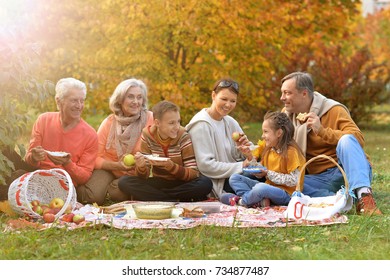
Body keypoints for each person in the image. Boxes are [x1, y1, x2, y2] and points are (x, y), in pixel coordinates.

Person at [280, 71, 382, 215]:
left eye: (287, 93)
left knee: (346, 139)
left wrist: (321, 130)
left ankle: (364, 197)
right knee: (282, 184)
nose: (282, 98)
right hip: (319, 177)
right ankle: (338, 197)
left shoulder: (333, 110)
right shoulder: (286, 115)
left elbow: (357, 139)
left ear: (304, 93)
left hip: (346, 170)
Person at [76, 78, 154, 205]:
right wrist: (117, 165)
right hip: (108, 169)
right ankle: (82, 188)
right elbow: (95, 157)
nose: (136, 102)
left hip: (135, 174)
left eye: (139, 97)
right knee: (93, 197)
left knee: (117, 192)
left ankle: (109, 188)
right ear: (120, 100)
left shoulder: (150, 119)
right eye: (130, 97)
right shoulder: (109, 122)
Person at [118, 100, 212, 201]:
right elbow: (143, 176)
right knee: (124, 182)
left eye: (178, 121)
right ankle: (174, 199)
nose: (177, 127)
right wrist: (141, 167)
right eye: (171, 123)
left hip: (181, 183)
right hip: (160, 182)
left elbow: (193, 173)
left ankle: (161, 198)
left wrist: (171, 167)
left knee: (205, 183)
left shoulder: (183, 137)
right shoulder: (147, 136)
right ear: (157, 123)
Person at [220, 111, 306, 208]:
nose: (262, 136)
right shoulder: (269, 148)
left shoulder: (291, 152)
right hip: (268, 187)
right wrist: (249, 156)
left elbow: (294, 180)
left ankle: (241, 202)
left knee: (260, 188)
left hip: (286, 194)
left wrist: (268, 173)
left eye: (265, 131)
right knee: (235, 178)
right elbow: (262, 169)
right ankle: (257, 202)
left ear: (279, 133)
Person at [24, 77, 98, 189]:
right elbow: (29, 159)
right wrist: (34, 157)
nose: (79, 106)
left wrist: (68, 163)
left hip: (64, 185)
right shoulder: (43, 120)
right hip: (37, 178)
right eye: (74, 100)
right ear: (59, 101)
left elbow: (84, 177)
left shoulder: (90, 134)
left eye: (82, 101)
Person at [185, 78, 252, 199]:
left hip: (234, 175)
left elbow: (242, 156)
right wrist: (241, 166)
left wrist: (245, 150)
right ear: (213, 95)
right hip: (218, 182)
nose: (228, 105)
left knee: (264, 174)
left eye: (233, 101)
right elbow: (206, 166)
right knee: (257, 181)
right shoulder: (201, 124)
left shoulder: (230, 122)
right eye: (224, 99)